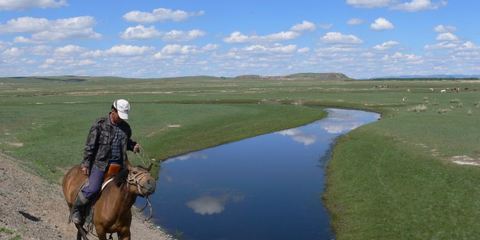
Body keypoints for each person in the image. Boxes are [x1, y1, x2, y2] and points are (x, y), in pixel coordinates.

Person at [71, 99, 140, 224]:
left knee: (131, 188)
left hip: (120, 165)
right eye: (119, 115)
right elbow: (90, 145)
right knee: (93, 188)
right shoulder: (99, 125)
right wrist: (86, 163)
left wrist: (133, 146)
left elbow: (125, 142)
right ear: (113, 111)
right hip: (101, 164)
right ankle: (77, 209)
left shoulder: (126, 128)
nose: (121, 119)